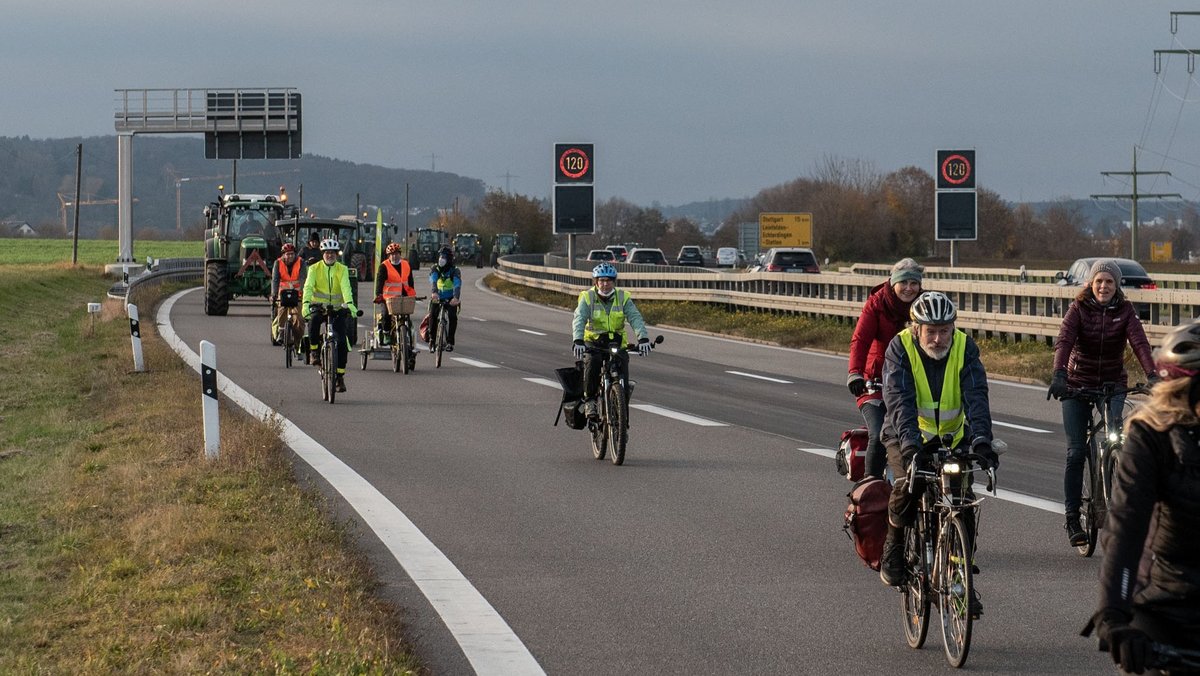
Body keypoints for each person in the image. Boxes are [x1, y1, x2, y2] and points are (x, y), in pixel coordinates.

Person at [1082, 320, 1200, 674]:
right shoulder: (1153, 437)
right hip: (1168, 611)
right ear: (1186, 390)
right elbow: (1126, 528)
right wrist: (1114, 616)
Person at [877, 291, 997, 615]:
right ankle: (894, 546)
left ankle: (961, 581)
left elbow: (976, 395)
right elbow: (899, 400)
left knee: (963, 502)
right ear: (916, 328)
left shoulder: (964, 347)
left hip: (953, 438)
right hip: (907, 436)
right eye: (931, 330)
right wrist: (912, 446)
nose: (939, 337)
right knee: (907, 486)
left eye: (945, 330)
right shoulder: (899, 348)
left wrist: (983, 440)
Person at [1048, 259, 1156, 548]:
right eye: (1099, 281)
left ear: (1117, 285)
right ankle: (1072, 517)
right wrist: (1059, 375)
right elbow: (1064, 341)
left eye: (1109, 282)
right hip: (1076, 384)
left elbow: (1140, 343)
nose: (1104, 286)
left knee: (1115, 437)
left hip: (1111, 384)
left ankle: (1116, 499)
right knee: (1076, 452)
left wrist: (1152, 374)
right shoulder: (1078, 309)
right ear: (1091, 284)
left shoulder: (1126, 311)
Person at [847, 258, 924, 479]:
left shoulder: (925, 306)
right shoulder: (876, 303)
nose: (909, 288)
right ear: (893, 283)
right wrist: (855, 373)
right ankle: (869, 490)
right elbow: (860, 340)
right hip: (876, 382)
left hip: (913, 383)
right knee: (879, 434)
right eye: (904, 283)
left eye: (914, 283)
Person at [571, 263, 651, 419]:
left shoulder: (623, 297)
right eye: (601, 280)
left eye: (609, 280)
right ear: (596, 282)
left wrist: (643, 338)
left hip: (616, 342)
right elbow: (579, 319)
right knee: (593, 362)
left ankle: (622, 415)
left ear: (614, 282)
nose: (605, 284)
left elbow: (635, 317)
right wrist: (578, 340)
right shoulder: (588, 297)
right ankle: (590, 401)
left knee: (623, 368)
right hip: (593, 342)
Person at [302, 238, 358, 393]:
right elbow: (308, 287)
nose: (330, 255)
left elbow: (346, 288)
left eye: (332, 252)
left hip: (337, 309)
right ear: (322, 254)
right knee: (313, 322)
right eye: (327, 252)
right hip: (318, 307)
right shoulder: (314, 268)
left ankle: (340, 377)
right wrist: (306, 304)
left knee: (341, 341)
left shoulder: (342, 269)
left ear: (336, 254)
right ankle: (314, 352)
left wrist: (350, 304)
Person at [372, 242, 416, 339]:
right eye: (392, 254)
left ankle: (408, 338)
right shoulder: (384, 266)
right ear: (388, 256)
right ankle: (386, 333)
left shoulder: (406, 265)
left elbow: (410, 282)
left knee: (406, 316)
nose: (394, 256)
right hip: (388, 298)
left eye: (396, 254)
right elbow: (379, 282)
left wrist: (412, 295)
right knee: (386, 315)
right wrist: (378, 294)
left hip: (403, 297)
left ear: (400, 254)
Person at [270, 243, 307, 345]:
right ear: (283, 255)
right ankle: (281, 331)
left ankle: (298, 341)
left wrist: (304, 292)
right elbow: (275, 280)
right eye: (287, 254)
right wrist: (273, 294)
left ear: (295, 254)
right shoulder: (277, 263)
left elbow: (303, 278)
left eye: (292, 254)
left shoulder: (301, 262)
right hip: (283, 294)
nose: (290, 256)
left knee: (299, 319)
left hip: (298, 294)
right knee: (281, 310)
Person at [427, 246, 462, 351]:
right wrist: (434, 292)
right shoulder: (435, 268)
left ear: (449, 259)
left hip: (450, 298)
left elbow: (457, 284)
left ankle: (450, 342)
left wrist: (456, 298)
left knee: (452, 317)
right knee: (432, 315)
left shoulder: (454, 270)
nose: (441, 259)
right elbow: (433, 280)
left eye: (444, 257)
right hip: (437, 296)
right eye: (440, 256)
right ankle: (432, 340)